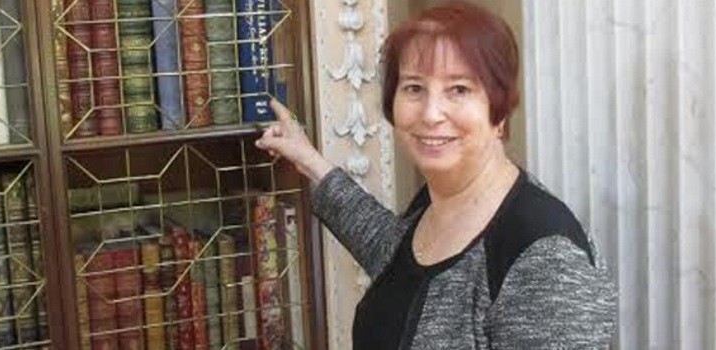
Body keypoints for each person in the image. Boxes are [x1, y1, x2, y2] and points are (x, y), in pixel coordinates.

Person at [256, 1, 616, 348]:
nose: (430, 114)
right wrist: (307, 158)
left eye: (458, 89)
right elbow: (395, 256)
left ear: (499, 109)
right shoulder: (435, 201)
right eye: (414, 87)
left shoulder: (544, 257)